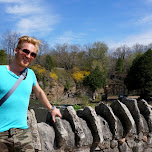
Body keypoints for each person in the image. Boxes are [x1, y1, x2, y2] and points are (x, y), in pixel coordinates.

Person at [0, 36, 62, 151]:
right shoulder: (1, 71)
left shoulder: (30, 74)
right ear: (16, 50)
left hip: (22, 134)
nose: (28, 56)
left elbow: (38, 92)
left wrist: (51, 108)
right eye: (25, 51)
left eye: (32, 54)